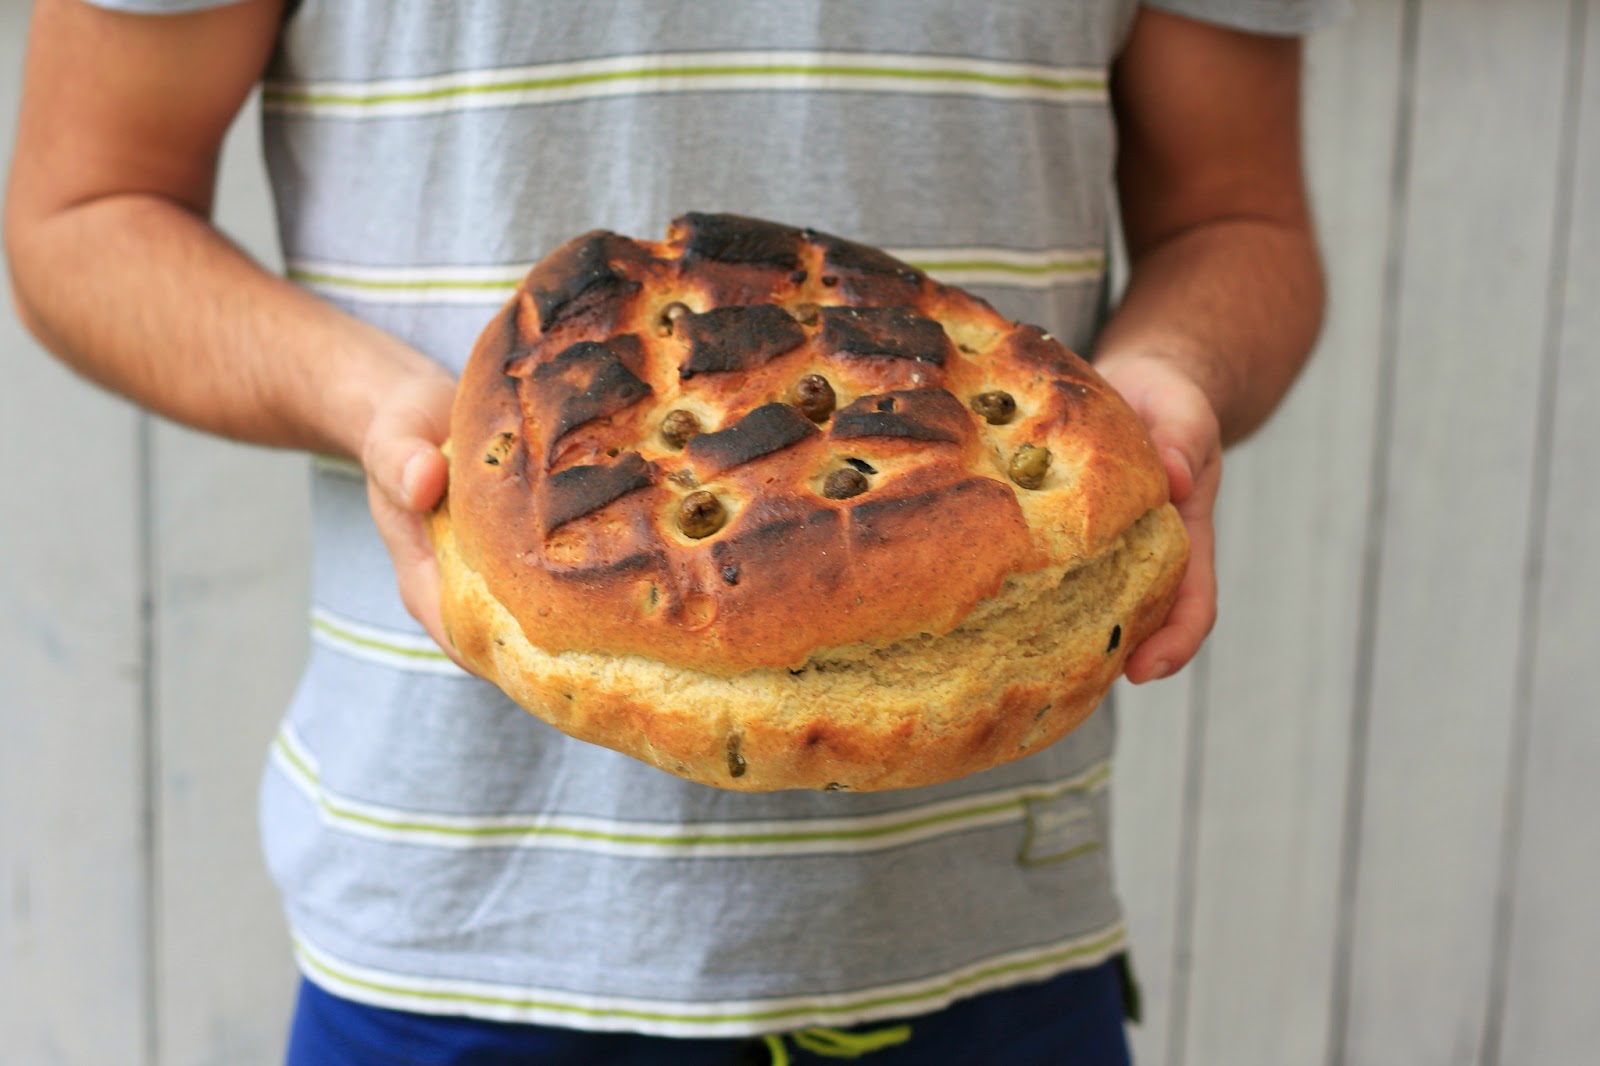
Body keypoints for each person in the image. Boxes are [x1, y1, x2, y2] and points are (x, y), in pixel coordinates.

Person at [5, 1, 1339, 1062]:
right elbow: (84, 211)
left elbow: (1237, 219)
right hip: (454, 948)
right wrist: (375, 410)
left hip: (993, 940)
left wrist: (1170, 389)